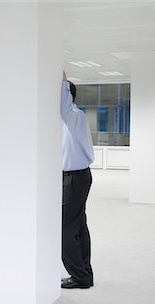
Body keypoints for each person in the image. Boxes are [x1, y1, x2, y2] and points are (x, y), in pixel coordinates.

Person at [61, 71, 95, 289]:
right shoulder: (70, 120)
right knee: (78, 226)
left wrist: (61, 81)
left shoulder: (74, 116)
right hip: (76, 177)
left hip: (75, 179)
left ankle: (79, 276)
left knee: (64, 229)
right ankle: (84, 275)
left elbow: (63, 106)